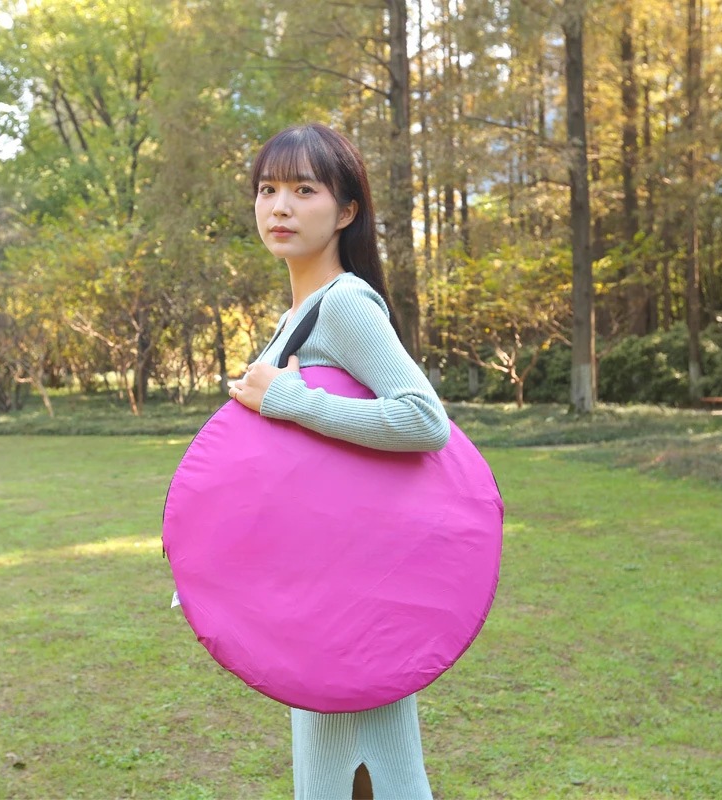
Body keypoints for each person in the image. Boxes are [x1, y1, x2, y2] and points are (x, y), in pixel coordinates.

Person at [228, 123, 449, 800]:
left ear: (346, 210)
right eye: (267, 190)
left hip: (352, 595)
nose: (280, 207)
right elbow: (291, 470)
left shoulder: (344, 303)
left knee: (369, 771)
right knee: (340, 769)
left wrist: (294, 400)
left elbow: (423, 420)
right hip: (321, 585)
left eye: (303, 189)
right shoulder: (297, 315)